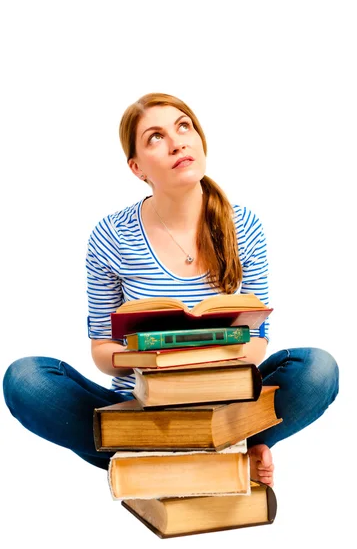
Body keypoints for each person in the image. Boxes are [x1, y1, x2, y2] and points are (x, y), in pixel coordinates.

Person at [3, 92, 339, 485]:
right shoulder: (111, 235)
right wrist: (153, 361)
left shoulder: (244, 226)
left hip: (226, 402)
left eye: (184, 126)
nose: (177, 141)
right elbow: (102, 348)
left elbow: (257, 340)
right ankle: (219, 457)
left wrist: (201, 364)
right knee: (25, 379)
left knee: (317, 369)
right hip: (142, 407)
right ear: (137, 167)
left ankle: (157, 461)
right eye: (155, 137)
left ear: (199, 140)